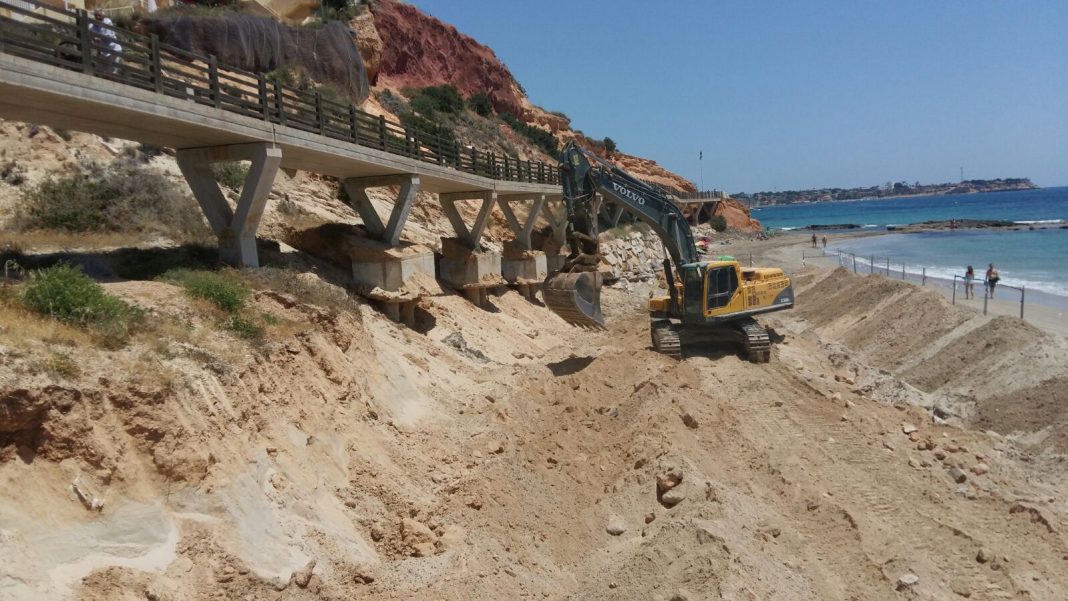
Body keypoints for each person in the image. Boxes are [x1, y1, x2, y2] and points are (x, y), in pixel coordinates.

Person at [90, 10, 122, 75]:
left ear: (103, 16)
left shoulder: (107, 22)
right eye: (96, 15)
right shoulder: (92, 25)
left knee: (111, 72)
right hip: (103, 51)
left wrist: (98, 38)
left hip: (113, 50)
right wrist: (94, 38)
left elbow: (108, 36)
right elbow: (91, 35)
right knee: (99, 70)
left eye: (100, 15)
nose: (98, 17)